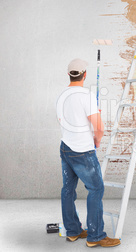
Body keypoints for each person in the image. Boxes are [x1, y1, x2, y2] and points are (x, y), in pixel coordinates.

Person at [56, 58, 120, 248]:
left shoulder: (61, 96)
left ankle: (73, 231)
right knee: (96, 189)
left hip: (65, 147)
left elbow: (65, 120)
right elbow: (99, 127)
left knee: (68, 189)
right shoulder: (87, 96)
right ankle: (96, 235)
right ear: (85, 75)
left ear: (68, 74)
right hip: (83, 151)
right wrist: (97, 140)